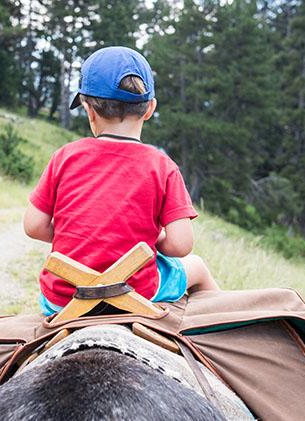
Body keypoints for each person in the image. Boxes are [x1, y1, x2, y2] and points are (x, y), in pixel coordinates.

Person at [24, 46, 219, 316]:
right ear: (150, 108)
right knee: (196, 266)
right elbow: (181, 245)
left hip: (63, 298)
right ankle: (216, 332)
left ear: (88, 109)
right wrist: (149, 240)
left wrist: (85, 233)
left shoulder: (65, 157)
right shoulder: (163, 166)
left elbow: (34, 226)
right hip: (135, 293)